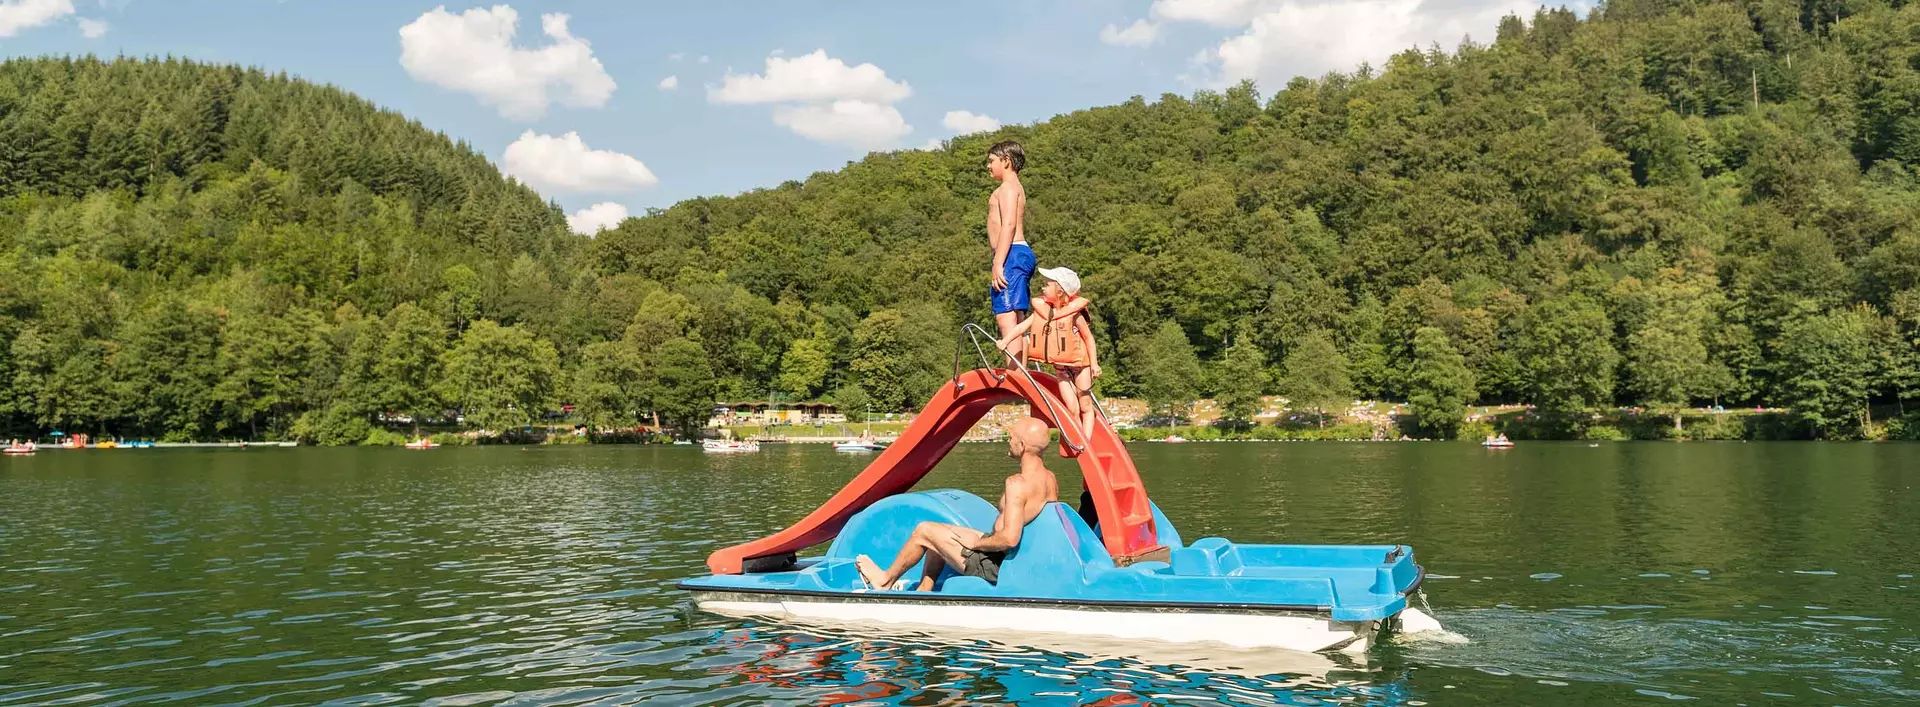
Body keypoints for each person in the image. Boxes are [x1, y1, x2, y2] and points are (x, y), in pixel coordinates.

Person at [855, 417, 1059, 590]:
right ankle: (924, 591)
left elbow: (1009, 539)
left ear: (1022, 446)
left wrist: (977, 544)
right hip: (1015, 556)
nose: (1009, 441)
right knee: (940, 530)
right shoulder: (1049, 478)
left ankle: (885, 581)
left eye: (1012, 438)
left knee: (924, 530)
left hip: (998, 565)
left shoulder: (1017, 483)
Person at [996, 267, 1101, 438]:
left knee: (1085, 404)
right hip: (1061, 369)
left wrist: (1095, 365)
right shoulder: (1043, 311)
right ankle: (1077, 437)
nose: (1042, 287)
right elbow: (1022, 327)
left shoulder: (1075, 315)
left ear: (1060, 291)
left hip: (1081, 366)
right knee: (1071, 407)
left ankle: (1086, 441)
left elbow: (1089, 339)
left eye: (1047, 284)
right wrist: (1005, 341)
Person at [986, 141, 1034, 362]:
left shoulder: (1006, 188)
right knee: (1016, 316)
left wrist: (998, 262)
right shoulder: (1016, 187)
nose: (988, 166)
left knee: (1006, 317)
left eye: (991, 161)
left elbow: (1009, 225)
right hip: (1017, 253)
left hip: (1010, 253)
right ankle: (1021, 374)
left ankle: (1016, 376)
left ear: (1006, 161)